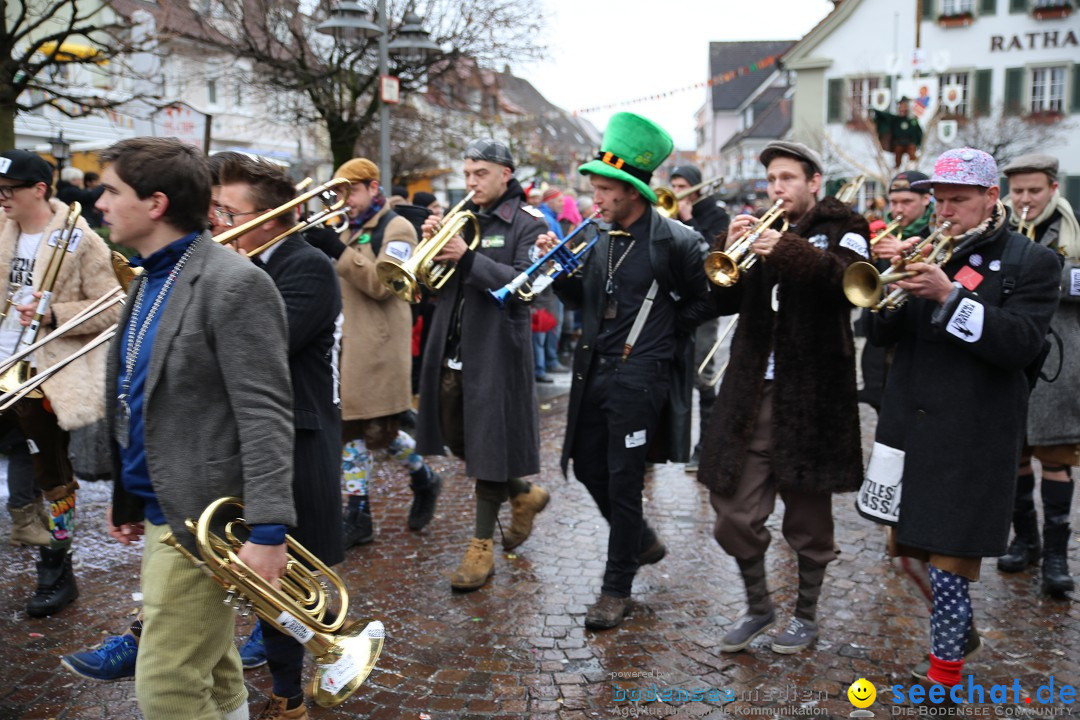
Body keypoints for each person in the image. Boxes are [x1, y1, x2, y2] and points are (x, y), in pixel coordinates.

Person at [99, 136, 295, 720]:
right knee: (213, 671)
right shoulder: (146, 279)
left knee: (167, 686)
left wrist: (267, 529)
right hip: (163, 504)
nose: (99, 202)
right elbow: (141, 397)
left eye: (111, 190)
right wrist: (127, 494)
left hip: (203, 517)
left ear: (155, 203)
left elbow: (266, 413)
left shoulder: (235, 282)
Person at [866, 147, 1060, 690]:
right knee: (909, 551)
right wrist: (892, 282)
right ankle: (958, 633)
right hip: (911, 423)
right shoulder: (928, 250)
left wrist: (949, 297)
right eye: (939, 200)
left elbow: (1020, 344)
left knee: (951, 564)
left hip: (973, 431)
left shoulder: (1031, 261)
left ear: (990, 197)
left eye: (959, 200)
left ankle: (944, 678)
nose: (945, 211)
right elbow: (880, 334)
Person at [538, 113, 711, 629]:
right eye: (594, 189)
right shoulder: (602, 235)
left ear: (632, 192)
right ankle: (640, 540)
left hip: (641, 376)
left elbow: (710, 298)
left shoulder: (675, 240)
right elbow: (585, 298)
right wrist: (559, 272)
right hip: (594, 370)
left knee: (623, 481)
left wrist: (666, 333)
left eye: (604, 190)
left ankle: (615, 590)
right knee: (586, 466)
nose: (596, 198)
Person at [698, 141, 868, 654]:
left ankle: (806, 616)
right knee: (731, 509)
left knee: (808, 518)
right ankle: (758, 607)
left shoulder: (847, 228)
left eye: (788, 178)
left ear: (814, 181)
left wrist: (788, 249)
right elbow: (723, 298)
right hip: (752, 389)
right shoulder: (762, 231)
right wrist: (729, 246)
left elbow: (847, 285)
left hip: (811, 394)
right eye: (772, 179)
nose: (777, 188)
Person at [212, 155, 344, 719]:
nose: (214, 220)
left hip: (299, 432)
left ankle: (288, 693)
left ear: (267, 219)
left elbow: (264, 346)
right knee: (247, 565)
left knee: (287, 572)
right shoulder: (241, 258)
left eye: (226, 210)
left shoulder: (306, 264)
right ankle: (272, 671)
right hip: (249, 432)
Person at [415, 138, 548, 592]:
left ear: (505, 174)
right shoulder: (462, 218)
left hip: (495, 351)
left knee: (488, 447)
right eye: (467, 174)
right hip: (452, 347)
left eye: (481, 174)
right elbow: (433, 284)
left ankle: (481, 546)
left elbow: (527, 287)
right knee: (459, 440)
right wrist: (431, 247)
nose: (471, 183)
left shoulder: (528, 224)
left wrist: (467, 256)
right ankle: (523, 493)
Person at [0, 149, 121, 617]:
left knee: (52, 475)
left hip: (42, 374)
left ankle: (58, 569)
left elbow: (114, 305)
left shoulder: (81, 238)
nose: (2, 198)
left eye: (9, 190)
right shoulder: (2, 230)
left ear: (39, 190)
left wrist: (54, 315)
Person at [305, 158, 441, 549]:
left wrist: (337, 250)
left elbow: (385, 284)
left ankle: (361, 512)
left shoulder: (396, 226)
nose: (343, 200)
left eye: (350, 191)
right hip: (347, 344)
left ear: (372, 187)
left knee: (370, 430)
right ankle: (416, 481)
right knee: (360, 430)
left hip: (380, 346)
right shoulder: (347, 226)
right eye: (338, 193)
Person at [997, 153, 1080, 596]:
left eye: (1034, 190)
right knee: (1014, 457)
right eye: (1019, 191)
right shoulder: (1003, 231)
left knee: (1057, 459)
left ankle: (1056, 557)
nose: (1025, 199)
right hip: (1014, 360)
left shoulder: (1074, 232)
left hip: (1060, 365)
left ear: (1053, 188)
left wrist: (1044, 270)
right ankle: (1024, 540)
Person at [669, 163, 729, 473]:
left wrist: (688, 219)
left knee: (702, 374)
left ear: (695, 187)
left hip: (704, 303)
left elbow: (713, 256)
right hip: (673, 303)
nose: (677, 192)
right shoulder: (666, 214)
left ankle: (705, 448)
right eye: (674, 186)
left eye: (682, 186)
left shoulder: (715, 214)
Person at [858, 171, 934, 412]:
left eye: (907, 202)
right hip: (879, 348)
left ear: (926, 200)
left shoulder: (935, 235)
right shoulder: (878, 235)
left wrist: (904, 255)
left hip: (916, 352)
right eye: (894, 202)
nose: (898, 210)